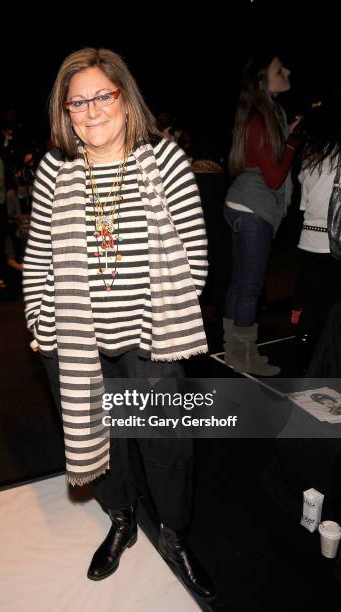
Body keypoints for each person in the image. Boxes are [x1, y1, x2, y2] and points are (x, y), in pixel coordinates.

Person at [22, 47, 215, 599]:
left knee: (166, 441)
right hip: (75, 339)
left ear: (124, 99)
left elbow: (196, 258)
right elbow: (37, 258)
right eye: (77, 101)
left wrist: (155, 308)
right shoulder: (55, 170)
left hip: (153, 333)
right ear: (65, 112)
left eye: (101, 96)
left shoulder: (165, 161)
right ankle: (124, 520)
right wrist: (41, 322)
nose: (91, 110)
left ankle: (175, 536)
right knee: (99, 436)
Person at [223, 53, 302, 376]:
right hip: (253, 210)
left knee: (239, 284)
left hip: (242, 206)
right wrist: (293, 143)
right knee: (249, 288)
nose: (287, 71)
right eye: (278, 69)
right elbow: (274, 176)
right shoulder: (260, 119)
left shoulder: (268, 116)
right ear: (262, 81)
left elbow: (268, 156)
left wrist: (287, 134)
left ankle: (233, 352)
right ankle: (244, 356)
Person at [294, 86, 341, 367]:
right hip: (333, 245)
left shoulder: (311, 157)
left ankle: (305, 369)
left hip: (307, 241)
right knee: (330, 317)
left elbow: (304, 205)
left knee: (311, 313)